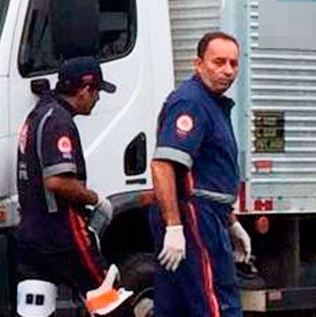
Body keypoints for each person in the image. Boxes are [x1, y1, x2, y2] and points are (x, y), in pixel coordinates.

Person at [14, 56, 132, 317]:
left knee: (35, 311)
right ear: (84, 90)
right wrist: (95, 199)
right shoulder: (59, 121)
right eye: (97, 91)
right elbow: (57, 181)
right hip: (63, 231)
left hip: (30, 233)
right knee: (108, 300)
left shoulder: (38, 114)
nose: (98, 98)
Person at [149, 31, 252, 317]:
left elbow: (207, 171)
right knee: (216, 300)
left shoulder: (212, 103)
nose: (228, 70)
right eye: (219, 62)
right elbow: (163, 164)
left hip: (208, 214)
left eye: (233, 63)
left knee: (176, 306)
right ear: (198, 64)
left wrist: (231, 222)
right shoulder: (193, 103)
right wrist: (174, 225)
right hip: (195, 215)